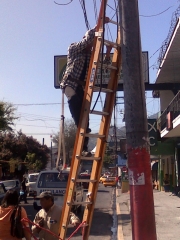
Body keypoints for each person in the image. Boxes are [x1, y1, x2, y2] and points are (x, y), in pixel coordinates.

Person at [60, 17, 110, 157]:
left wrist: (107, 51)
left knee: (84, 121)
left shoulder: (90, 56)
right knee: (78, 115)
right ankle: (80, 148)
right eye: (91, 42)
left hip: (82, 89)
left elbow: (104, 66)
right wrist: (99, 25)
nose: (91, 45)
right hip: (71, 84)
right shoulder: (74, 49)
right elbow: (87, 40)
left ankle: (83, 148)